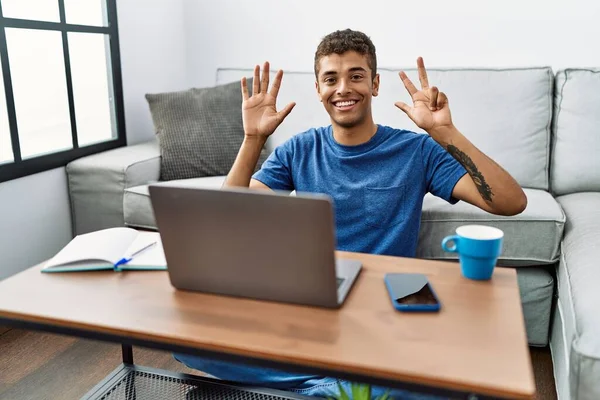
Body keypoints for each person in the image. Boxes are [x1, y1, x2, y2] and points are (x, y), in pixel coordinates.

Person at [175, 29, 527, 399]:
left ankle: (319, 386)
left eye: (356, 76)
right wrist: (252, 140)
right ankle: (340, 386)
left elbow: (510, 201)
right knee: (186, 341)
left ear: (374, 85)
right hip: (313, 306)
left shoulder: (417, 150)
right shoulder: (299, 149)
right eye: (331, 79)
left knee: (462, 383)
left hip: (384, 310)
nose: (343, 88)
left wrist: (446, 131)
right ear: (318, 89)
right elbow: (230, 220)